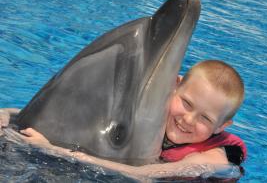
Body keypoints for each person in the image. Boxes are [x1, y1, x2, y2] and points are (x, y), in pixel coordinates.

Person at [0, 60, 246, 178]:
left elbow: (144, 174)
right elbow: (78, 114)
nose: (189, 119)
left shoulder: (214, 157)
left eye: (205, 117)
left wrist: (57, 151)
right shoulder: (169, 120)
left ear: (222, 127)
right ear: (175, 85)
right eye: (187, 103)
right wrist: (8, 114)